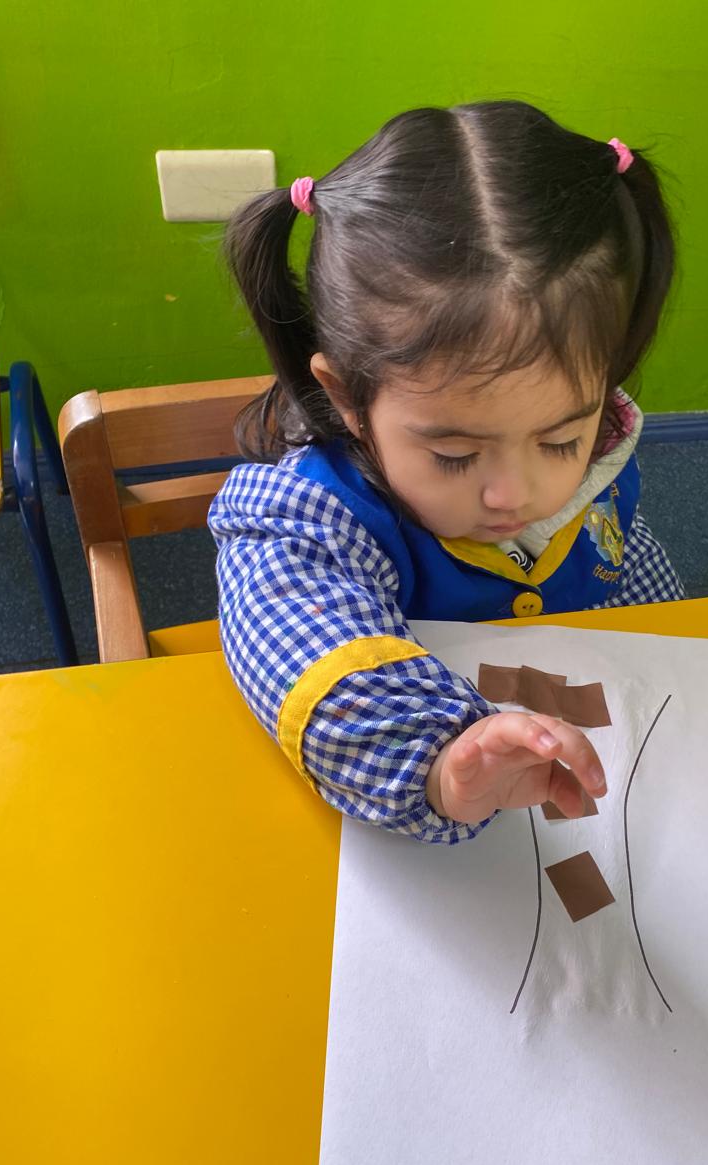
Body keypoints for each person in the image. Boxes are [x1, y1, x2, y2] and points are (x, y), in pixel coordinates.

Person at [209, 100, 683, 844]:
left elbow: (625, 565)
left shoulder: (603, 450)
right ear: (348, 399)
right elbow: (305, 652)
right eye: (456, 456)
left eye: (560, 439)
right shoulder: (304, 520)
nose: (517, 495)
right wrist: (439, 763)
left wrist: (672, 649)